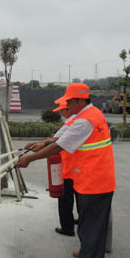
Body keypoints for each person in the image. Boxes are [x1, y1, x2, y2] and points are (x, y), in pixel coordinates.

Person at [17, 83, 115, 258]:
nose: (67, 105)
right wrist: (41, 144)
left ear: (81, 100)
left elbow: (58, 146)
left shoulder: (85, 121)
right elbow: (59, 139)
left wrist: (30, 159)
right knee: (88, 233)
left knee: (92, 236)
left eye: (69, 101)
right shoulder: (88, 115)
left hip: (95, 184)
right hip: (91, 181)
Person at [25, 97, 78, 236]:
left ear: (67, 109)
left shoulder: (73, 122)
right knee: (77, 198)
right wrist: (39, 143)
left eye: (62, 111)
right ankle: (78, 220)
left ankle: (67, 228)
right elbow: (53, 140)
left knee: (65, 199)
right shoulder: (74, 121)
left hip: (69, 168)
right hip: (76, 168)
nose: (61, 114)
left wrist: (30, 158)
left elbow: (56, 143)